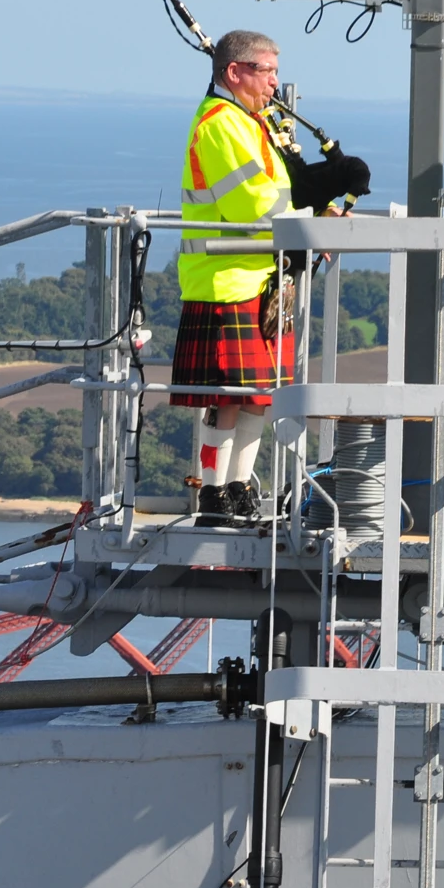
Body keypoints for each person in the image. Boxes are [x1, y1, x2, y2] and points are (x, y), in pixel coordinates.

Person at [172, 30, 369, 524]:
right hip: (224, 281)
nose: (275, 84)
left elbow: (284, 190)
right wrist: (317, 212)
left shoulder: (251, 122)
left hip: (261, 280)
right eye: (267, 72)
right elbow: (255, 207)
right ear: (234, 72)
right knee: (229, 400)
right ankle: (212, 493)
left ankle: (238, 485)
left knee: (258, 397)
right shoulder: (219, 124)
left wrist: (322, 199)